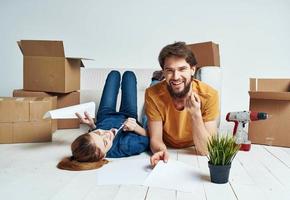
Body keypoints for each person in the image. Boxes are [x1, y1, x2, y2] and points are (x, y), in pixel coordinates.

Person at [145, 42, 219, 167]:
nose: (176, 76)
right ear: (163, 71)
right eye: (169, 70)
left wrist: (196, 114)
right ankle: (155, 80)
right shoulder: (152, 94)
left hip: (192, 146)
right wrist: (160, 151)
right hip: (167, 141)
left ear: (192, 69)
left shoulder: (210, 95)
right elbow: (156, 138)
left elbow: (206, 150)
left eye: (182, 69)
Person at [58, 70, 149, 170]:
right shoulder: (128, 146)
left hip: (105, 115)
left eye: (98, 133)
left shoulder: (95, 142)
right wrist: (136, 128)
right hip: (128, 115)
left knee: (114, 74)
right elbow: (151, 138)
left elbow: (95, 136)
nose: (107, 133)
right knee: (129, 75)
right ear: (103, 156)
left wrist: (93, 126)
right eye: (105, 142)